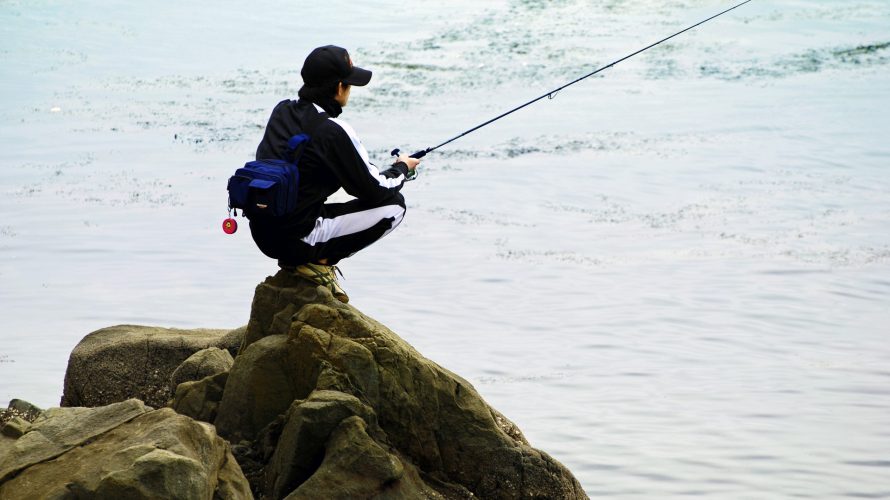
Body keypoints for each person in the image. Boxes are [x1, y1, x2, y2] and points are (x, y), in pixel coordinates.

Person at [251, 45, 420, 303]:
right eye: (349, 85)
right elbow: (373, 189)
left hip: (262, 231)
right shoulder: (332, 130)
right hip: (297, 238)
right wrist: (402, 169)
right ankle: (319, 262)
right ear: (339, 88)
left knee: (305, 201)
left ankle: (302, 259)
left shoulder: (282, 110)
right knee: (394, 207)